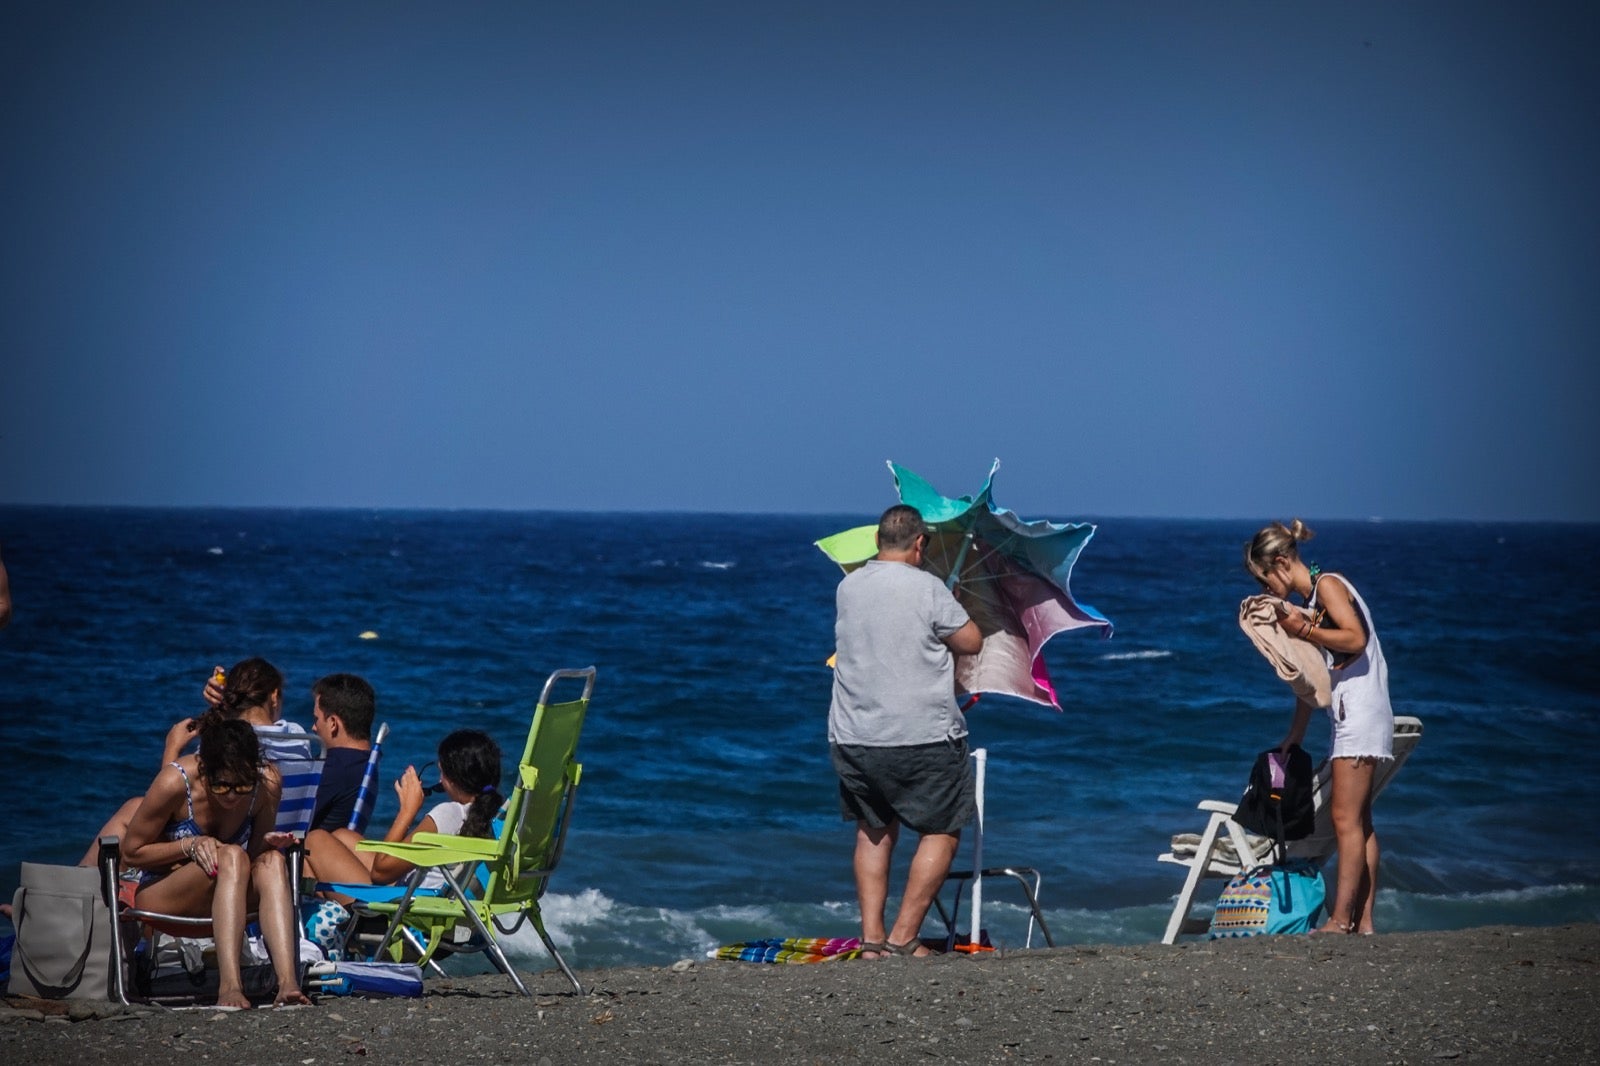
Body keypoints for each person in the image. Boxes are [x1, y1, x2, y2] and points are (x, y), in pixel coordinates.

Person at [828, 504, 983, 959]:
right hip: (922, 734)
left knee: (873, 830)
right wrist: (954, 600)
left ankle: (872, 940)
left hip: (854, 733)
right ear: (919, 545)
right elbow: (970, 641)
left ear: (878, 542)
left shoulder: (849, 586)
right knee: (943, 828)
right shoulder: (929, 588)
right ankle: (903, 937)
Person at [1245, 519, 1395, 936]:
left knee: (1344, 820)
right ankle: (1363, 922)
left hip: (1360, 714)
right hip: (1361, 713)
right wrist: (1296, 733)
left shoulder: (1327, 585)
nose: (1266, 590)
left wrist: (1304, 628)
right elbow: (1312, 679)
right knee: (1360, 822)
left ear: (1279, 563)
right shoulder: (1313, 600)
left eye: (1264, 580)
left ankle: (1340, 919)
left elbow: (1355, 639)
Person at [119, 715, 310, 1008]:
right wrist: (189, 845)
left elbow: (256, 855)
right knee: (232, 854)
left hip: (229, 894)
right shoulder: (176, 782)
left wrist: (271, 845)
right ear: (204, 769)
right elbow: (131, 851)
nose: (233, 795)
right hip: (163, 894)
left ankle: (288, 985)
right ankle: (230, 986)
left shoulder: (267, 783)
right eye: (222, 786)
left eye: (243, 786)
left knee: (272, 861)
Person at [80, 658, 313, 865]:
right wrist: (223, 710)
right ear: (274, 696)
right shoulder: (299, 740)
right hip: (273, 850)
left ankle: (78, 888)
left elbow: (176, 800)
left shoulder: (230, 747)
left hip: (220, 852)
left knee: (132, 811)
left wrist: (173, 746)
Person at [304, 729, 502, 895]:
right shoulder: (494, 816)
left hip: (401, 910)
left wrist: (407, 810)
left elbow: (380, 873)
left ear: (454, 778)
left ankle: (328, 924)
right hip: (436, 899)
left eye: (442, 773)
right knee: (342, 836)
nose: (440, 781)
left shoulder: (448, 814)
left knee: (315, 840)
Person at [306, 673, 378, 834]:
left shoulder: (334, 767)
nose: (314, 727)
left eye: (316, 719)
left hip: (308, 853)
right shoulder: (368, 763)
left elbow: (288, 820)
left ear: (333, 723)